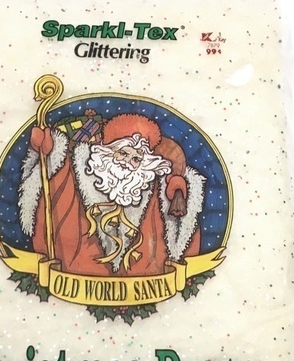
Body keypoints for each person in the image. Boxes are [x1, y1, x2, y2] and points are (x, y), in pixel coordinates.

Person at [19, 113, 206, 277]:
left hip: (142, 284)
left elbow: (178, 226)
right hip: (75, 277)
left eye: (136, 159)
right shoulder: (77, 172)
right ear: (108, 151)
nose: (127, 162)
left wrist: (177, 190)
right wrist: (49, 150)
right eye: (123, 153)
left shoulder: (154, 189)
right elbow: (52, 175)